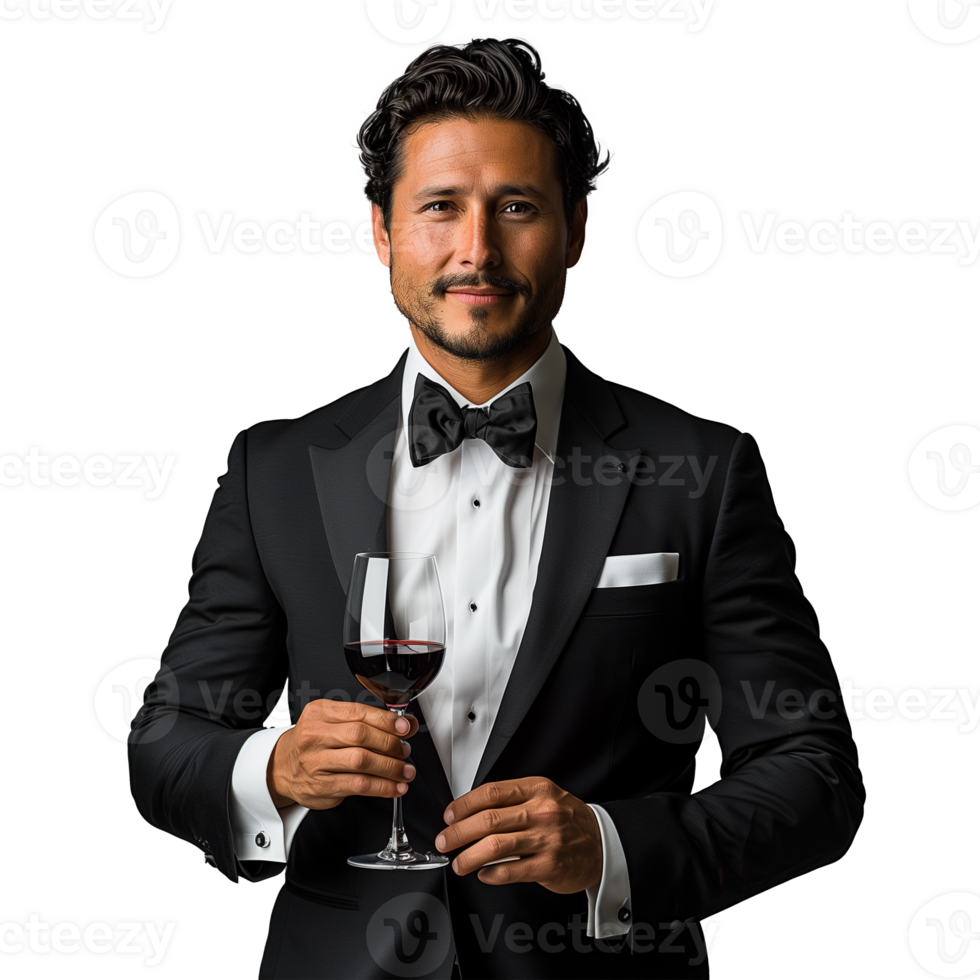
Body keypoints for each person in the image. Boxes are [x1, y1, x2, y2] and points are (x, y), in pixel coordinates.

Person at [127, 30, 866, 980]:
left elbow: (815, 773)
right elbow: (167, 746)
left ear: (583, 229)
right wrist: (269, 769)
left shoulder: (704, 468)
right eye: (440, 208)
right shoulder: (270, 468)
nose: (477, 251)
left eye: (516, 207)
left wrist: (612, 846)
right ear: (381, 231)